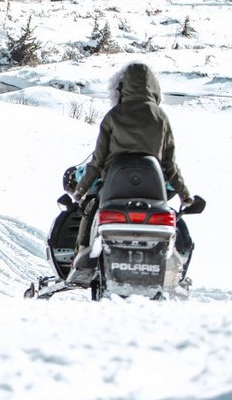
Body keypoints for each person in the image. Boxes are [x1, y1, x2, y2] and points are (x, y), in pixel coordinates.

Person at [68, 61, 193, 260]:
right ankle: (170, 260)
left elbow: (98, 160)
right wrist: (184, 195)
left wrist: (80, 191)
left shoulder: (113, 116)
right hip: (153, 191)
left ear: (120, 88)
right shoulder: (161, 118)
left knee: (91, 210)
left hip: (114, 188)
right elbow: (170, 164)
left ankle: (82, 253)